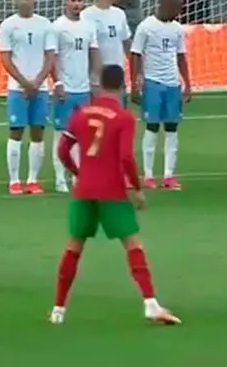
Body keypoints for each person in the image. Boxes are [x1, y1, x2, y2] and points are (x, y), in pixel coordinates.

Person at [50, 64, 181, 326]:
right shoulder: (123, 118)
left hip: (84, 190)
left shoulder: (80, 113)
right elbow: (125, 157)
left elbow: (64, 150)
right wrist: (136, 188)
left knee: (74, 248)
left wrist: (78, 171)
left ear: (99, 84)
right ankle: (150, 303)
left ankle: (58, 310)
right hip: (112, 191)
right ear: (123, 86)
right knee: (133, 245)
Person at [0, 0, 56, 195]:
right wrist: (24, 83)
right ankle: (14, 180)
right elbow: (5, 59)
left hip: (40, 89)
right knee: (16, 132)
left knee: (38, 132)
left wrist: (38, 81)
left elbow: (50, 56)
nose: (24, 1)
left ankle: (32, 179)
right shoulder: (8, 25)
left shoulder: (45, 25)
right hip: (17, 88)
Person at [130, 0, 191, 190]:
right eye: (176, 7)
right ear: (163, 4)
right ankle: (148, 175)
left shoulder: (177, 29)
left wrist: (187, 84)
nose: (179, 11)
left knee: (172, 128)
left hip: (172, 84)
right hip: (153, 83)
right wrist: (135, 84)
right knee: (152, 127)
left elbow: (181, 56)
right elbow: (135, 55)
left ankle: (168, 175)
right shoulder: (146, 27)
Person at [50, 0, 100, 193]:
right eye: (73, 0)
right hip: (66, 89)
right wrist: (58, 83)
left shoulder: (89, 26)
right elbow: (52, 58)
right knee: (61, 134)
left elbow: (94, 54)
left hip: (83, 89)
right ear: (65, 1)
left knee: (82, 136)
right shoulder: (57, 27)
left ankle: (78, 176)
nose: (77, 4)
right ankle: (59, 178)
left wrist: (95, 81)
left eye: (80, 0)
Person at [81, 0, 132, 104]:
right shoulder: (87, 15)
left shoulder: (119, 14)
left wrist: (137, 72)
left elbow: (126, 43)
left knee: (118, 118)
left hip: (118, 79)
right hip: (97, 81)